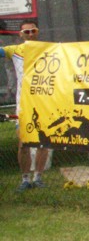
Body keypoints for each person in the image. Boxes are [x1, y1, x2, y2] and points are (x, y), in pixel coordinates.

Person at [0, 20, 51, 191]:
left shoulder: (49, 49)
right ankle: (25, 179)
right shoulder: (15, 50)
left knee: (43, 142)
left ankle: (38, 178)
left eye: (33, 31)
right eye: (26, 32)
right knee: (23, 144)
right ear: (20, 34)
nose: (30, 34)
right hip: (23, 104)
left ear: (37, 32)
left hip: (44, 102)